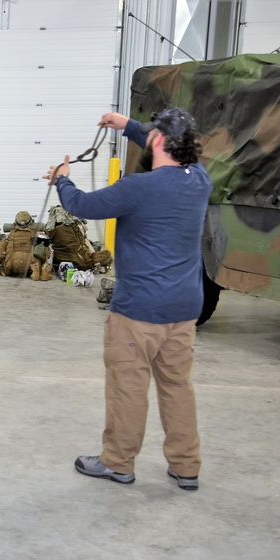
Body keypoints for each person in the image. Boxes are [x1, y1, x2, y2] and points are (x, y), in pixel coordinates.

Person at [46, 107, 211, 490]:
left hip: (139, 311)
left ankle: (118, 462)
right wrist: (129, 127)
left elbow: (82, 206)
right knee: (177, 387)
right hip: (184, 310)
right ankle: (186, 466)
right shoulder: (199, 180)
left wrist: (62, 180)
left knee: (128, 387)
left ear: (157, 141)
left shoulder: (139, 188)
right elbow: (169, 147)